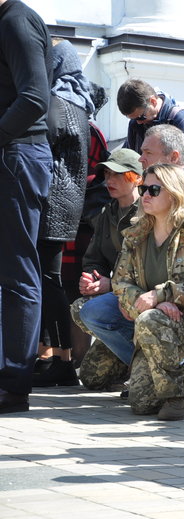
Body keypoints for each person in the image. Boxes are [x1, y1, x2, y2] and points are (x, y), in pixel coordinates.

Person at [87, 163, 184, 420]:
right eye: (143, 188)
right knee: (141, 404)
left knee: (151, 320)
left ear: (173, 193)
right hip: (152, 319)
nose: (145, 195)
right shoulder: (136, 234)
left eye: (153, 189)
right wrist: (151, 302)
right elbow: (120, 283)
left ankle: (176, 399)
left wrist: (163, 295)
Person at [0, 0, 53, 414]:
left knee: (18, 272)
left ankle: (14, 384)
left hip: (18, 156)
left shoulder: (16, 20)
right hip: (12, 154)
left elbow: (34, 98)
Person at [32, 38, 93, 387]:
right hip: (65, 202)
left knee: (48, 282)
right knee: (46, 280)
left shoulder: (59, 101)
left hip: (53, 202)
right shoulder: (78, 100)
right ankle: (51, 356)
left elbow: (44, 140)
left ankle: (61, 361)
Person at [70, 149, 142, 391]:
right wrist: (93, 278)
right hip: (118, 301)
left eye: (118, 175)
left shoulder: (149, 212)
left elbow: (151, 273)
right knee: (91, 378)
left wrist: (111, 285)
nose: (109, 181)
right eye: (108, 174)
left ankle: (150, 366)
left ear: (137, 178)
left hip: (145, 302)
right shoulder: (106, 213)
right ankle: (135, 360)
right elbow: (94, 257)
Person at [118, 78, 184, 192]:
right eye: (133, 119)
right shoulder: (135, 124)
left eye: (141, 117)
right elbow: (133, 162)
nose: (138, 122)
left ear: (153, 101)